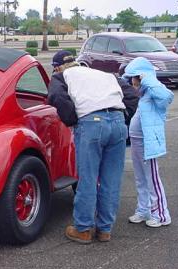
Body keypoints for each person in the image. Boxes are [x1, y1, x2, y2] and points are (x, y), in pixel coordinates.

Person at [48, 51, 128, 244]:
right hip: (118, 121)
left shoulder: (61, 76)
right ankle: (104, 230)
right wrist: (122, 118)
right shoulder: (103, 74)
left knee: (88, 178)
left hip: (91, 123)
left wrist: (73, 120)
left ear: (57, 67)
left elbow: (57, 96)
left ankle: (83, 228)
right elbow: (132, 94)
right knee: (111, 180)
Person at [123, 57, 174, 228]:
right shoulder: (143, 94)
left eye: (134, 77)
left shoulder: (155, 91)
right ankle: (144, 210)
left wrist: (149, 79)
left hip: (148, 143)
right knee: (140, 178)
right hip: (137, 143)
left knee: (152, 178)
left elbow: (167, 97)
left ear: (142, 76)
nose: (132, 81)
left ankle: (161, 214)